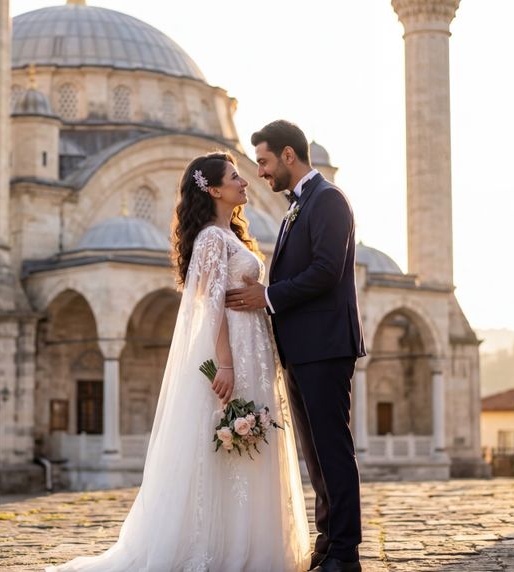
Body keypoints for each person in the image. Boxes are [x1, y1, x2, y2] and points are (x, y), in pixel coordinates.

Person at [47, 151, 309, 571]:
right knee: (230, 441)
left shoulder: (232, 236)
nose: (246, 182)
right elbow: (211, 306)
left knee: (251, 444)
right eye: (235, 177)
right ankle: (220, 548)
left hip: (254, 348)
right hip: (233, 352)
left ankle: (252, 544)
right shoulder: (209, 239)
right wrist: (225, 363)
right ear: (215, 190)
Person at [226, 120, 366, 572]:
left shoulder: (328, 201)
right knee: (316, 455)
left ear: (289, 155)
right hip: (302, 349)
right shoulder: (296, 206)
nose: (260, 172)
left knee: (332, 449)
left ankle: (345, 553)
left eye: (264, 162)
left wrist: (267, 296)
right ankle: (328, 545)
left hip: (325, 346)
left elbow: (326, 270)